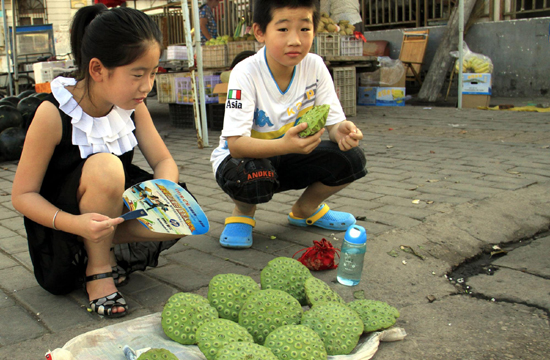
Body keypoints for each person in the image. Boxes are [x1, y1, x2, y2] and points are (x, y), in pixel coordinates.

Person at [11, 4, 187, 318]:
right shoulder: (53, 113)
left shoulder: (132, 105)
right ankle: (99, 269)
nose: (147, 86)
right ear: (97, 70)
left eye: (152, 73)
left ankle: (100, 242)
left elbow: (163, 159)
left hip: (105, 216)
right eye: (137, 74)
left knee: (182, 216)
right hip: (62, 225)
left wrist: (164, 190)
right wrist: (76, 223)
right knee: (106, 166)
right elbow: (22, 196)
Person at [210, 0, 367, 249]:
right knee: (252, 174)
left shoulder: (315, 66)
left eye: (304, 29)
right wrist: (284, 145)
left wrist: (343, 132)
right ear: (260, 32)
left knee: (352, 158)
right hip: (243, 161)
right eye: (283, 29)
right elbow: (236, 145)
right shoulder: (245, 72)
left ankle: (305, 210)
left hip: (290, 152)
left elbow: (334, 123)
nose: (295, 40)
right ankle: (242, 212)